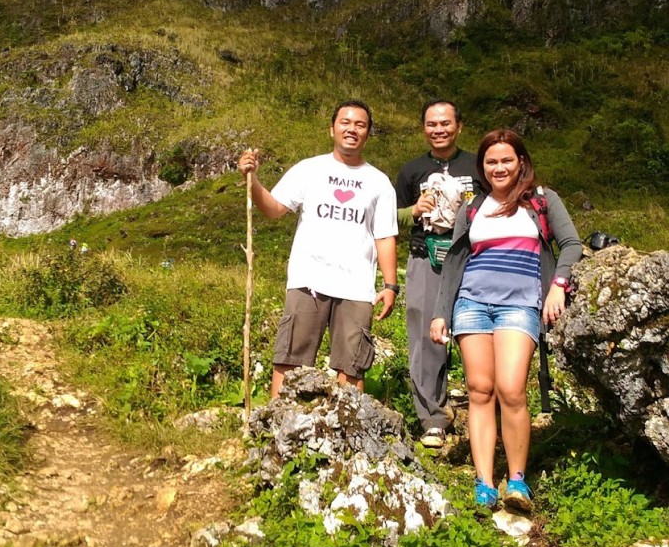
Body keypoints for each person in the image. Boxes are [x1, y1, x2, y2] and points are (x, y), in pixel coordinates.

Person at [430, 129, 581, 512]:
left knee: (512, 389)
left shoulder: (542, 201)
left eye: (506, 160)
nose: (499, 167)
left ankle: (516, 480)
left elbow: (572, 245)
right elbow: (456, 262)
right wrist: (440, 312)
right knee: (480, 390)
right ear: (482, 167)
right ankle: (484, 482)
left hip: (521, 304)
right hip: (471, 303)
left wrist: (558, 285)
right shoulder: (472, 208)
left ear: (521, 162)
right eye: (491, 162)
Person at [238, 100, 399, 398]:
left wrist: (390, 284)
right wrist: (253, 180)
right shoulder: (309, 169)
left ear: (368, 133)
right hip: (307, 279)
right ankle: (276, 429)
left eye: (360, 124)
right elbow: (273, 209)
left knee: (351, 365)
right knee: (291, 358)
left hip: (356, 286)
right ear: (332, 128)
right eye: (345, 122)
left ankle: (346, 434)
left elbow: (385, 235)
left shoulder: (379, 182)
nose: (352, 129)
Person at [394, 100, 480, 448]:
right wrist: (413, 210)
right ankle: (432, 417)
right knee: (425, 338)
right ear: (423, 128)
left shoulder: (478, 164)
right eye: (431, 124)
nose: (439, 129)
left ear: (459, 125)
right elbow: (391, 219)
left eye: (445, 123)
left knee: (479, 332)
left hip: (474, 257)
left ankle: (485, 413)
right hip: (424, 256)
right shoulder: (411, 170)